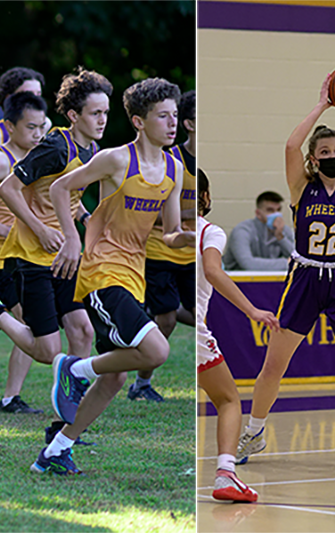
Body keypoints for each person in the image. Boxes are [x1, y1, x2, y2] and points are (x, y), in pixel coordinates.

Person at [33, 78, 195, 475]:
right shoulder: (116, 159)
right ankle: (75, 369)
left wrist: (191, 235)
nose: (172, 123)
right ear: (139, 122)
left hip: (133, 273)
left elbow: (169, 232)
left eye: (175, 115)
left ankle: (55, 452)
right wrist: (71, 238)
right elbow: (59, 187)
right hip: (102, 271)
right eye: (163, 116)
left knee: (116, 377)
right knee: (157, 351)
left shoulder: (175, 168)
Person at [237, 73, 335, 473]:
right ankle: (254, 431)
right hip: (305, 278)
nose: (334, 154)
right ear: (314, 158)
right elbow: (290, 144)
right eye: (326, 150)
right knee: (274, 365)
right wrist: (322, 103)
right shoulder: (301, 187)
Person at [0, 68, 107, 371]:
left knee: (83, 331)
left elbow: (64, 197)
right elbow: (8, 188)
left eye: (106, 112)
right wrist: (41, 229)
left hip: (65, 252)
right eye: (95, 113)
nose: (102, 120)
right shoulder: (56, 147)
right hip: (33, 254)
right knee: (47, 351)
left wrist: (85, 216)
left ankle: (74, 405)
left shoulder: (92, 151)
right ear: (73, 115)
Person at [197, 168, 279, 502]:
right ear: (205, 197)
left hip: (152, 317)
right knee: (229, 400)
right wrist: (252, 310)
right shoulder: (210, 232)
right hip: (196, 334)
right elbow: (213, 271)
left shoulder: (157, 227)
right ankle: (225, 474)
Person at [136, 90, 198, 403]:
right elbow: (155, 215)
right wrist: (190, 217)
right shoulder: (171, 161)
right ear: (190, 124)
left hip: (191, 255)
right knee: (168, 319)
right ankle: (141, 383)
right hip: (160, 250)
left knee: (201, 314)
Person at [0, 92, 48, 414]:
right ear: (8, 126)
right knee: (25, 323)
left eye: (42, 127)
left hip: (22, 256)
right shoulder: (3, 160)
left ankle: (10, 397)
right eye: (31, 127)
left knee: (28, 324)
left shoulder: (38, 158)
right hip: (4, 256)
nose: (38, 134)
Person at [222, 190, 294, 271]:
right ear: (258, 213)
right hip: (236, 279)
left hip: (272, 279)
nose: (276, 214)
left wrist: (281, 238)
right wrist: (287, 263)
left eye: (278, 210)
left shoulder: (283, 230)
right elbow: (248, 264)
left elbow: (298, 259)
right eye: (270, 210)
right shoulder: (242, 231)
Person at [0, 67, 53, 142]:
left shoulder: (46, 124)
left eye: (38, 94)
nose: (35, 99)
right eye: (28, 95)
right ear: (8, 98)